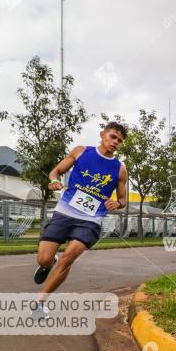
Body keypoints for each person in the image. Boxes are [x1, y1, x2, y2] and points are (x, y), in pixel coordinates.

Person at [32, 121, 129, 312]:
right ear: (102, 134)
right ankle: (49, 264)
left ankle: (40, 303)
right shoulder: (81, 151)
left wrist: (117, 203)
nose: (116, 142)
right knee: (43, 258)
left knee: (69, 257)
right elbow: (56, 171)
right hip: (65, 211)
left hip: (91, 219)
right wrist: (53, 181)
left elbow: (123, 198)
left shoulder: (120, 169)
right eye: (113, 137)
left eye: (119, 140)